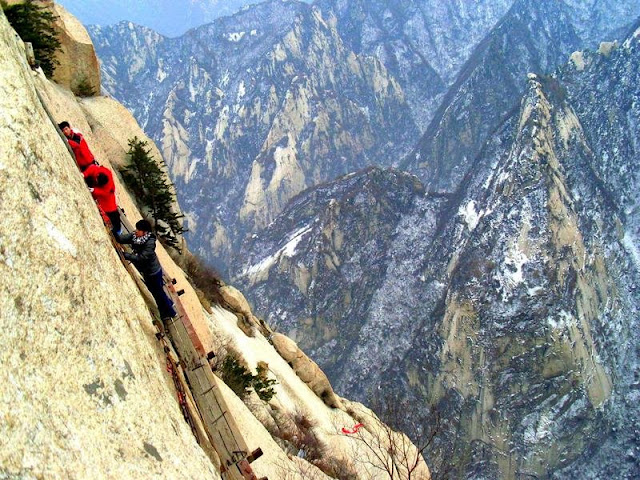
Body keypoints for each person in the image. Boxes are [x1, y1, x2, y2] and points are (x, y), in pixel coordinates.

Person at [117, 219, 177, 322]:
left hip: (153, 271)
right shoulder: (136, 237)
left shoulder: (150, 243)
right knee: (155, 291)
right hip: (147, 271)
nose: (136, 231)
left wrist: (127, 256)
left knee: (158, 293)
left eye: (138, 229)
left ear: (144, 232)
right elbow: (123, 239)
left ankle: (170, 313)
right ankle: (169, 304)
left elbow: (142, 257)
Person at [84, 163, 121, 234]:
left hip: (108, 198)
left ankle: (117, 229)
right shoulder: (98, 171)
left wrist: (94, 190)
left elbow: (104, 192)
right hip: (102, 194)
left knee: (112, 212)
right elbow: (91, 169)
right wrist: (85, 174)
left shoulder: (108, 185)